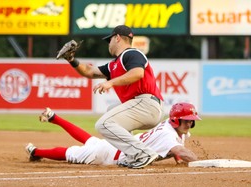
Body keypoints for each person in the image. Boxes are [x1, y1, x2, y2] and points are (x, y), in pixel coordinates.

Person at [58, 25, 164, 169]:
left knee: (103, 124)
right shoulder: (115, 64)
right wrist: (71, 59)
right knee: (111, 109)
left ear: (117, 38)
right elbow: (89, 72)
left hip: (146, 104)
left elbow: (138, 73)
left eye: (110, 40)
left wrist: (111, 83)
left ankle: (143, 153)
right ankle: (133, 155)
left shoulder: (131, 53)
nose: (109, 44)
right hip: (143, 106)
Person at [25, 103, 200, 166]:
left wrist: (178, 160)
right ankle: (35, 151)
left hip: (119, 145)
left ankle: (54, 118)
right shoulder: (169, 135)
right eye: (187, 120)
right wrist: (203, 163)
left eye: (191, 120)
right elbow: (181, 152)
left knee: (91, 140)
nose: (190, 123)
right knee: (71, 154)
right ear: (176, 120)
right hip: (109, 156)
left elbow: (178, 151)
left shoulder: (172, 127)